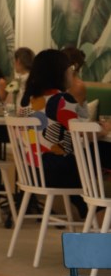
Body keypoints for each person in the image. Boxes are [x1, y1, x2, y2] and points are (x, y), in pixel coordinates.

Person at [18, 49, 110, 218]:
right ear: (59, 72)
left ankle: (91, 211)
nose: (72, 73)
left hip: (33, 170)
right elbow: (81, 134)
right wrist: (102, 130)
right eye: (70, 69)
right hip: (56, 171)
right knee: (103, 151)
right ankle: (97, 209)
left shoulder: (26, 101)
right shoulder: (62, 100)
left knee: (89, 156)